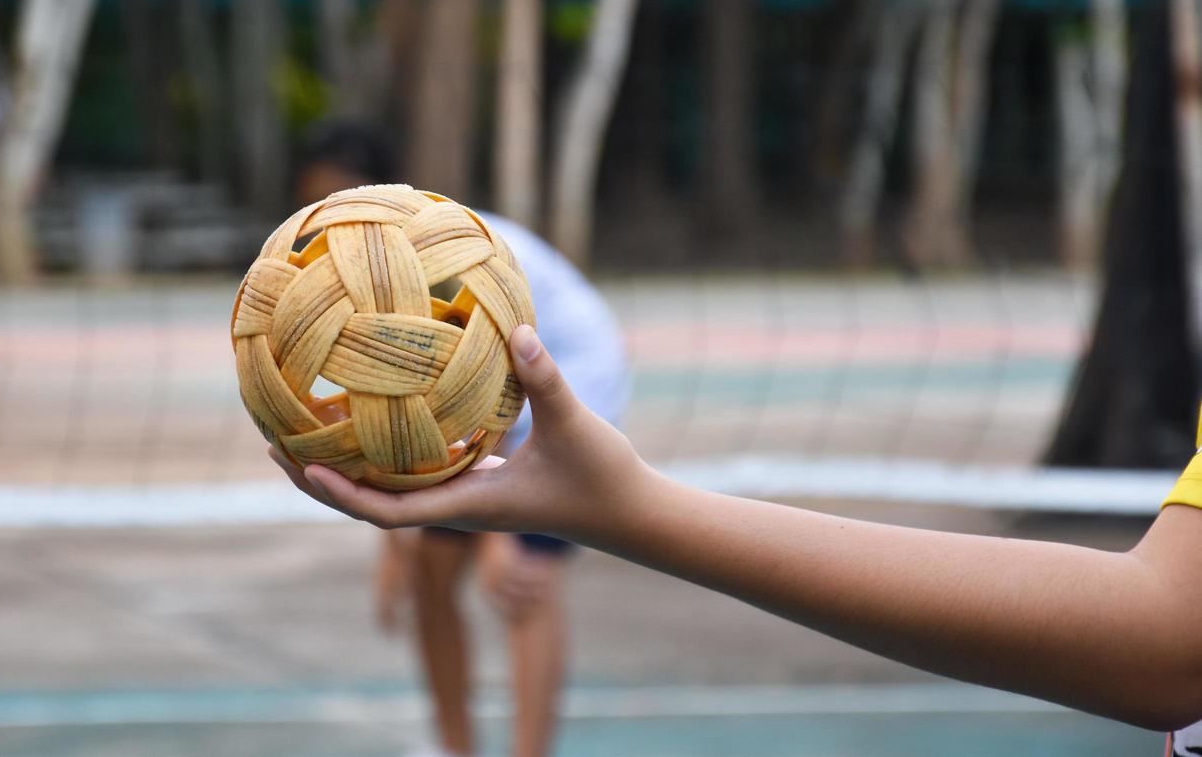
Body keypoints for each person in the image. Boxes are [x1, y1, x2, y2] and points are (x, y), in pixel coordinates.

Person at [272, 323, 1202, 751]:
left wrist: (627, 510)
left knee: (521, 586)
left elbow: (1168, 641)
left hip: (551, 391)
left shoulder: (470, 282)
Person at [294, 123, 629, 757]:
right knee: (429, 570)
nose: (318, 220)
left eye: (333, 197)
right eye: (310, 203)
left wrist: (500, 531)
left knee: (521, 581)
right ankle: (456, 746)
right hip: (490, 395)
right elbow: (401, 399)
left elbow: (490, 380)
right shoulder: (349, 271)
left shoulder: (430, 257)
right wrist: (399, 541)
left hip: (566, 387)